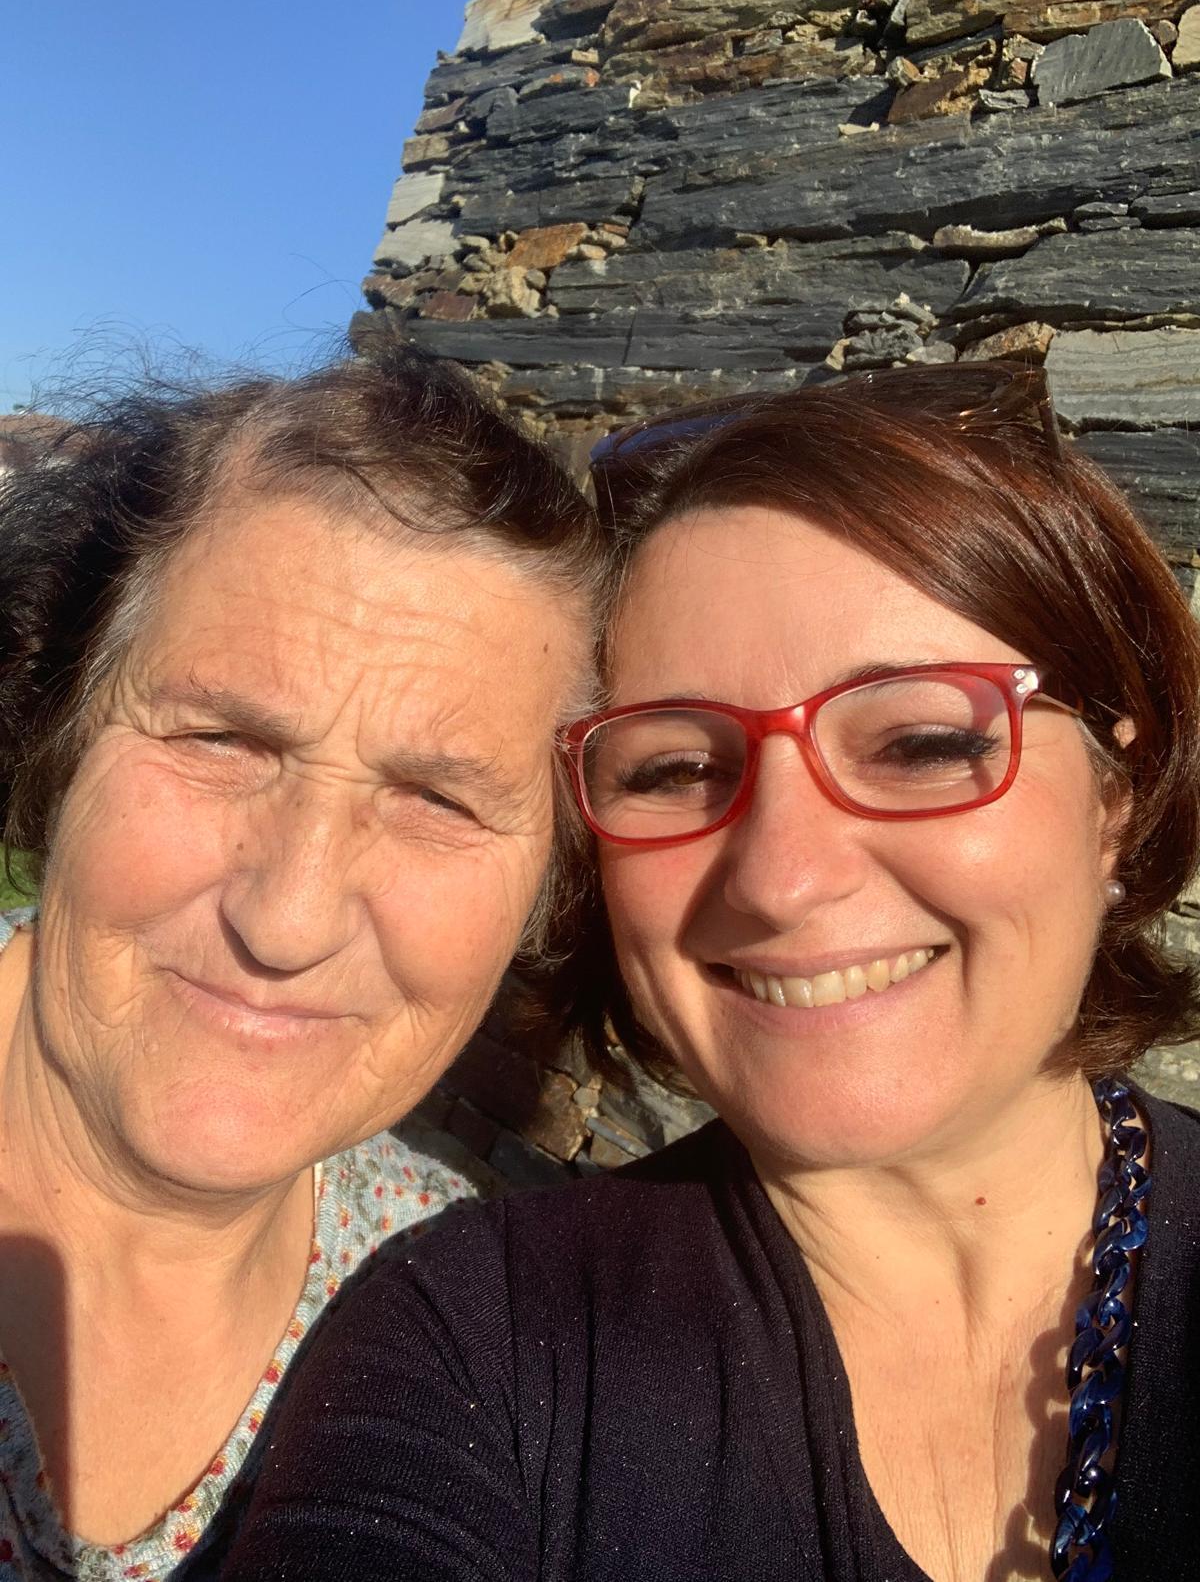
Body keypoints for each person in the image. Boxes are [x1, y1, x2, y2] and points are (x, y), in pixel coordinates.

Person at [220, 364, 1200, 1582]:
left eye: (919, 742)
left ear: (1116, 796)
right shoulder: (477, 1348)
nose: (780, 880)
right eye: (676, 770)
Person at [0, 344, 604, 1579]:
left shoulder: (467, 1312)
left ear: (549, 889)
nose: (287, 919)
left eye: (438, 799)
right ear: (63, 739)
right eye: (221, 739)